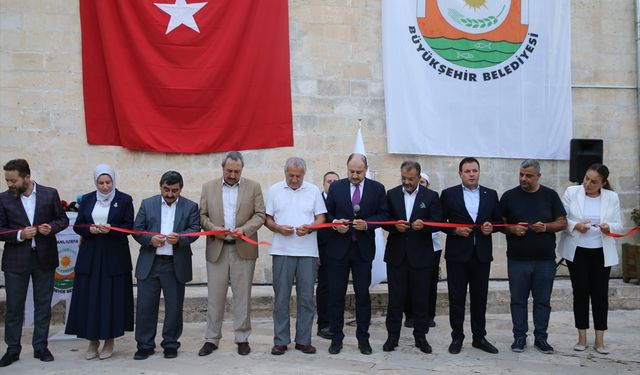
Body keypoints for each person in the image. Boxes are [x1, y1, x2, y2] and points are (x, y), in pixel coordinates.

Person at [0, 159, 69, 367]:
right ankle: (12, 349)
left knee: (43, 306)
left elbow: (63, 219)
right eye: (7, 180)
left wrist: (51, 227)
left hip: (44, 259)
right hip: (15, 261)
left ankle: (40, 346)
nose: (9, 184)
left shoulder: (50, 194)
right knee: (13, 308)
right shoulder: (3, 199)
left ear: (27, 177)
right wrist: (20, 234)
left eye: (13, 180)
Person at [198, 151, 266, 356]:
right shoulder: (208, 187)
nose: (233, 175)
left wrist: (244, 229)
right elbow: (202, 216)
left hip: (243, 248)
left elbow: (260, 214)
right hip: (217, 248)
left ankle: (242, 337)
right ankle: (211, 338)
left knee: (242, 296)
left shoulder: (253, 187)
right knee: (215, 297)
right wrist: (214, 229)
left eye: (237, 171)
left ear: (242, 170)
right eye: (229, 171)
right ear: (222, 168)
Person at [65, 164, 134, 360]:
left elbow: (129, 226)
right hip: (91, 254)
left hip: (114, 256)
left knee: (111, 297)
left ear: (114, 181)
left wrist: (110, 229)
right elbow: (79, 225)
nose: (104, 187)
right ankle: (92, 341)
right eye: (100, 183)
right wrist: (90, 230)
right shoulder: (87, 199)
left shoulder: (124, 200)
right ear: (95, 182)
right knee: (90, 297)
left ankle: (109, 340)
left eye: (108, 182)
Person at [500, 159, 567, 354]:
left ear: (539, 176)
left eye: (528, 175)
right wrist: (511, 229)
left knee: (542, 301)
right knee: (518, 300)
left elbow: (562, 222)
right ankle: (519, 337)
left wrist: (546, 227)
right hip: (517, 260)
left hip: (545, 260)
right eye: (521, 174)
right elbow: (500, 224)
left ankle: (541, 338)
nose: (523, 178)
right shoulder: (509, 196)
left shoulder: (550, 196)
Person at [132, 171, 200, 360]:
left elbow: (194, 230)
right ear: (160, 186)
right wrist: (150, 239)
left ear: (181, 188)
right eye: (166, 189)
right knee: (145, 307)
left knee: (174, 307)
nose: (170, 194)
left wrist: (180, 239)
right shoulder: (147, 204)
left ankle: (170, 343)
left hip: (175, 265)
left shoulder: (190, 206)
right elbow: (136, 229)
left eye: (175, 190)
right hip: (150, 264)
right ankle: (145, 345)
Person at [324, 153, 388, 355]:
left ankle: (363, 339)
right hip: (338, 250)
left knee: (362, 296)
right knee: (336, 296)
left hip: (363, 251)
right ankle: (336, 338)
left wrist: (368, 224)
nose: (354, 175)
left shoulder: (377, 189)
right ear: (347, 168)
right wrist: (335, 225)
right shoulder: (336, 187)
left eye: (359, 172)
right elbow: (327, 214)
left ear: (366, 170)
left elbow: (384, 215)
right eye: (351, 171)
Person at [440, 157, 502, 355]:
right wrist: (455, 231)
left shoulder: (491, 195)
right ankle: (457, 337)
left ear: (479, 172)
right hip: (457, 256)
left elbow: (498, 221)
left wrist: (490, 228)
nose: (472, 174)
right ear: (460, 174)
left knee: (479, 298)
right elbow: (439, 222)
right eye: (467, 171)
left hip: (481, 255)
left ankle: (479, 337)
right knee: (456, 298)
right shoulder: (449, 194)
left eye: (475, 170)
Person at [558, 164, 622, 354]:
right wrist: (576, 225)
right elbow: (561, 218)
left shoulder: (612, 197)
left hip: (601, 252)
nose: (588, 183)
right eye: (586, 178)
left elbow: (618, 224)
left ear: (603, 183)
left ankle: (600, 340)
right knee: (581, 293)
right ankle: (582, 338)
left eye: (594, 181)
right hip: (577, 251)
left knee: (600, 295)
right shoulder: (572, 191)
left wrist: (608, 226)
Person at [265, 157, 327, 355]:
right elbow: (267, 219)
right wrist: (278, 227)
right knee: (281, 298)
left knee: (307, 298)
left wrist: (310, 228)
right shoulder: (274, 190)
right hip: (282, 251)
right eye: (290, 175)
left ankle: (303, 340)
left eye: (298, 176)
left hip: (307, 252)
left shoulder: (314, 190)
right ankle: (281, 340)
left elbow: (321, 217)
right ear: (285, 173)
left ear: (304, 175)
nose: (294, 179)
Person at [382, 161, 441, 354]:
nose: (406, 182)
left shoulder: (431, 196)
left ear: (419, 177)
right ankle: (392, 337)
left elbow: (438, 223)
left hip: (422, 256)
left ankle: (421, 337)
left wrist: (424, 225)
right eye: (404, 178)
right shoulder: (391, 194)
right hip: (397, 255)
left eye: (411, 179)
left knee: (421, 298)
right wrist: (394, 226)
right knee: (395, 299)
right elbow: (384, 220)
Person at [403, 172, 442, 329]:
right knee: (410, 283)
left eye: (424, 182)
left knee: (430, 283)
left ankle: (429, 315)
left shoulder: (432, 198)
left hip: (432, 248)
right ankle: (410, 315)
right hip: (412, 247)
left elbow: (437, 222)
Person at [316, 171, 339, 340]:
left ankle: (335, 322)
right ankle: (323, 324)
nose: (331, 184)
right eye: (328, 181)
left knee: (336, 288)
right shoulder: (317, 200)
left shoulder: (341, 199)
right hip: (321, 250)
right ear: (323, 183)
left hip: (339, 251)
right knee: (324, 288)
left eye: (335, 181)